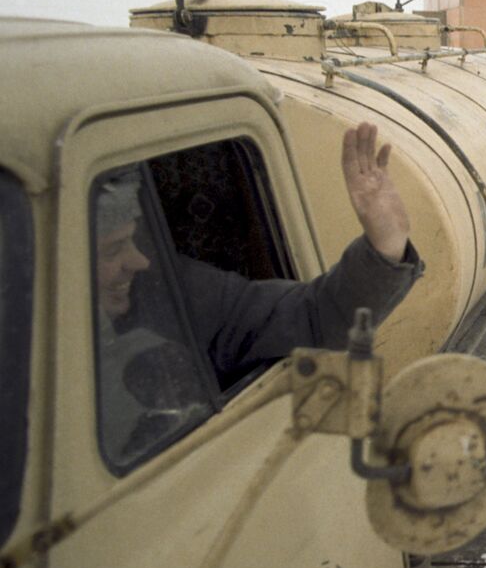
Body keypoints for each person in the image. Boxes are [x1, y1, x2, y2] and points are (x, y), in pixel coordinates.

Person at [94, 122, 423, 458]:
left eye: (134, 240)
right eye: (112, 250)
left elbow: (305, 316)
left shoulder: (167, 288)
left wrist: (386, 247)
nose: (139, 261)